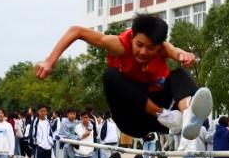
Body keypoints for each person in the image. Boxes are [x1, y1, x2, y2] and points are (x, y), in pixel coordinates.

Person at [36, 14, 212, 141]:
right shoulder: (118, 45)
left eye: (150, 48)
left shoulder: (163, 49)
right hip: (130, 117)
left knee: (180, 74)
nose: (143, 52)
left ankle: (188, 115)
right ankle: (168, 116)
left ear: (158, 47)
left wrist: (184, 55)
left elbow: (175, 51)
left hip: (158, 113)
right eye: (139, 45)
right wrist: (49, 61)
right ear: (133, 38)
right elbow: (77, 31)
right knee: (111, 75)